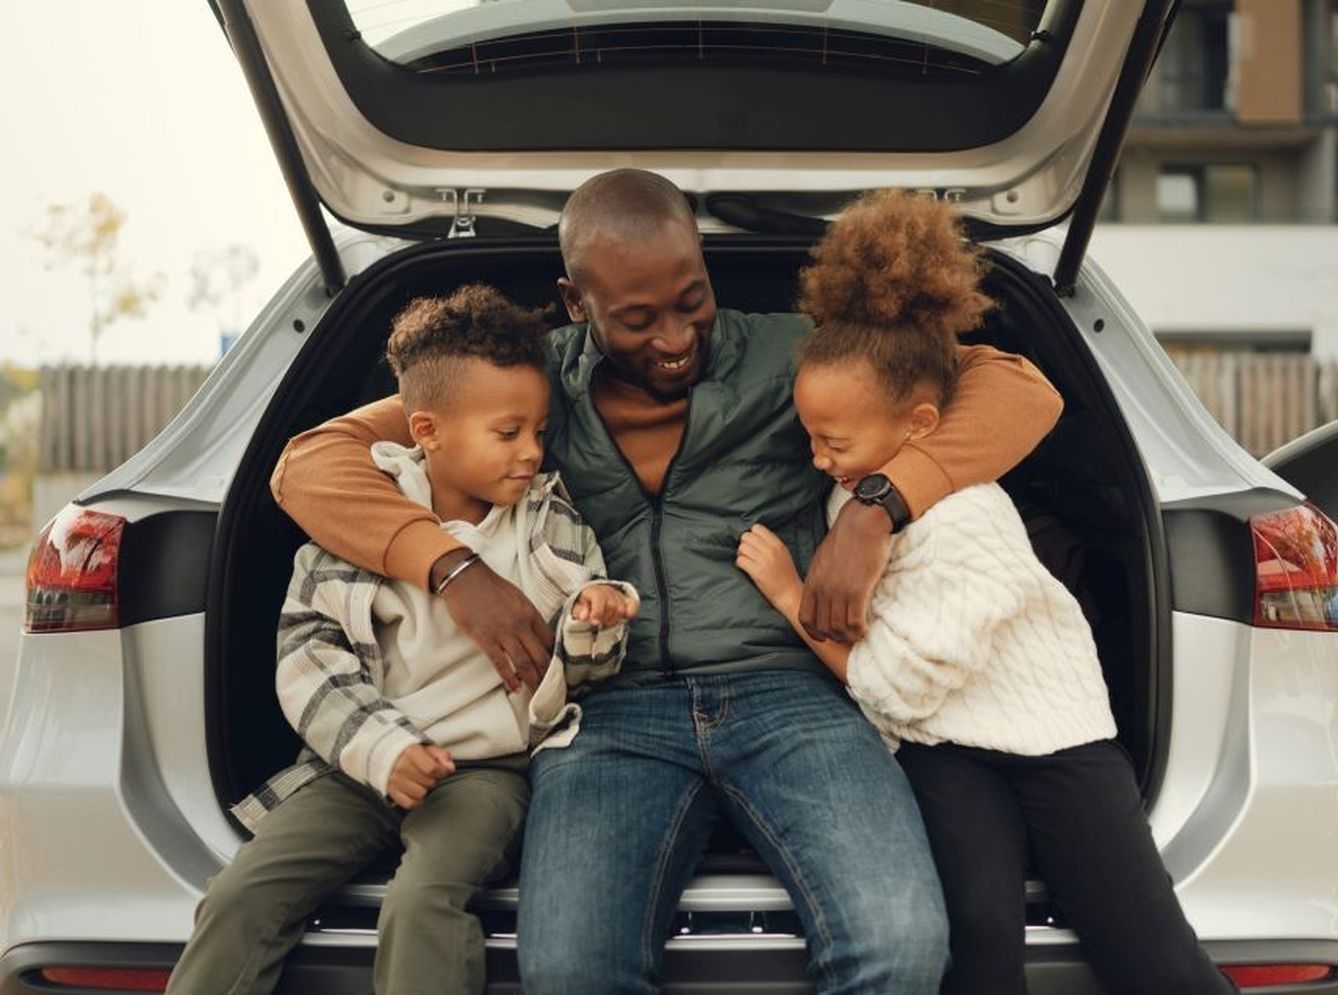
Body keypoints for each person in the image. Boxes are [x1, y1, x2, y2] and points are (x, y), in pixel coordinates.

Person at [269, 168, 1064, 993]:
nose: (677, 335)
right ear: (576, 304)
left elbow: (1019, 388)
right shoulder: (523, 387)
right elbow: (308, 465)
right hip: (606, 713)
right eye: (638, 319)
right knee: (573, 970)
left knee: (900, 943)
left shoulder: (794, 356)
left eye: (692, 299)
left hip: (790, 693)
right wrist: (453, 567)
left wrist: (877, 507)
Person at [736, 189, 1236, 995]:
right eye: (810, 438)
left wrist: (793, 596)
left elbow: (898, 683)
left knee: (1148, 952)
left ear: (923, 423)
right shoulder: (849, 452)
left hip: (1052, 740)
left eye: (834, 441)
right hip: (945, 744)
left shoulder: (969, 517)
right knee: (977, 934)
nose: (819, 457)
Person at [168, 283, 638, 995]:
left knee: (423, 898)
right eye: (508, 433)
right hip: (354, 767)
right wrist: (384, 749)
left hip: (486, 772)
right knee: (241, 893)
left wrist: (593, 620)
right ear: (425, 431)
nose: (530, 452)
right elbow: (307, 656)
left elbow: (584, 664)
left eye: (539, 432)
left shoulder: (549, 520)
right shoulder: (359, 521)